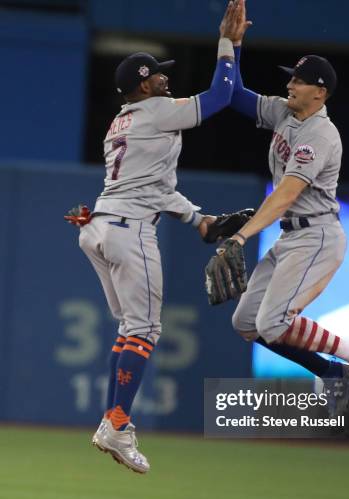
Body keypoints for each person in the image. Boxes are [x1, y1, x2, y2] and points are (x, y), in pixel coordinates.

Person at [76, 2, 241, 474]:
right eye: (159, 75)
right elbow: (223, 95)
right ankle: (118, 424)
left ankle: (114, 423)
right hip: (129, 231)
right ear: (143, 83)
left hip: (100, 226)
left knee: (131, 330)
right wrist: (230, 44)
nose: (166, 78)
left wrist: (200, 220)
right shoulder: (157, 111)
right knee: (145, 332)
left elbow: (157, 188)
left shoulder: (121, 122)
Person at [226, 0, 349, 416]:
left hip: (316, 235)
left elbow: (285, 194)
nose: (291, 84)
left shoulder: (321, 134)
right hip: (290, 235)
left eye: (299, 80)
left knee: (273, 322)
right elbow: (233, 95)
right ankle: (332, 372)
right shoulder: (285, 112)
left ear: (320, 91)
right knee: (246, 323)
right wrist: (232, 44)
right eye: (292, 78)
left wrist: (243, 236)